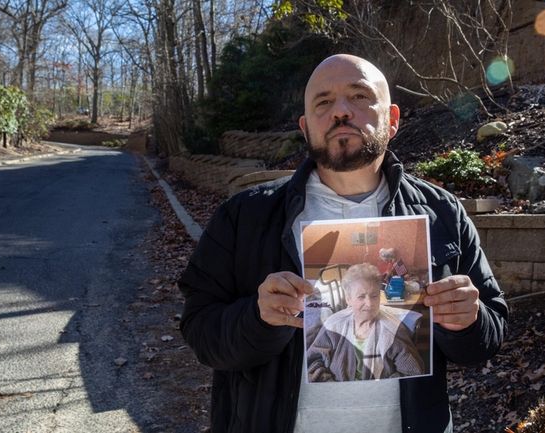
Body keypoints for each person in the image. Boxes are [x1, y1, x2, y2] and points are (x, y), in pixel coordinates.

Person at [178, 53, 509, 433]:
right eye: (323, 102)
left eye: (359, 96)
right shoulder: (245, 217)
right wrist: (258, 318)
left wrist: (468, 321)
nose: (340, 112)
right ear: (305, 127)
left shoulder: (442, 214)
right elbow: (200, 332)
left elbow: (488, 334)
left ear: (393, 120)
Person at [307, 263, 423, 382]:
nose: (369, 304)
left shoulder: (392, 330)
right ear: (348, 299)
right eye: (361, 297)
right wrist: (331, 386)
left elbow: (412, 372)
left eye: (374, 296)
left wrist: (383, 387)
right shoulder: (333, 325)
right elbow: (312, 362)